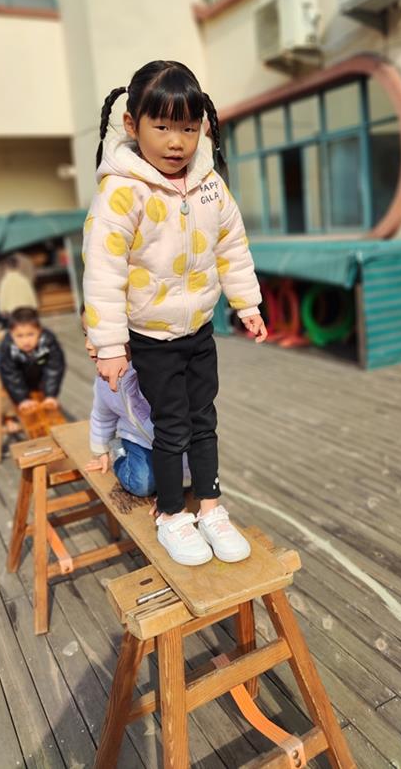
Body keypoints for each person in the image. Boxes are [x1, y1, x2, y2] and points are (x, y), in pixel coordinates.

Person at [83, 60, 267, 566]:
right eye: (162, 127)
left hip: (199, 330)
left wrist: (247, 302)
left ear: (201, 127)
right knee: (171, 426)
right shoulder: (121, 191)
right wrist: (110, 344)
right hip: (151, 336)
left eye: (188, 129)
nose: (176, 142)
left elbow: (232, 246)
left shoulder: (210, 184)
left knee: (204, 419)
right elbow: (103, 271)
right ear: (132, 124)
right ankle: (170, 514)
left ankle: (209, 506)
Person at [82, 309, 191, 497]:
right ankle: (119, 452)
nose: (87, 345)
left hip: (172, 439)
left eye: (96, 336)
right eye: (85, 335)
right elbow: (102, 417)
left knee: (187, 478)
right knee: (142, 484)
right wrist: (101, 451)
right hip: (137, 440)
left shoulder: (153, 369)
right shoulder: (103, 382)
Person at [0, 307, 65, 411]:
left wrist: (50, 395)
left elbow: (53, 369)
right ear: (11, 334)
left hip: (37, 371)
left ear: (39, 331)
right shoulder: (8, 347)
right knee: (5, 387)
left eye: (30, 334)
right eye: (19, 336)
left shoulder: (48, 342)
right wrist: (22, 399)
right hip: (15, 375)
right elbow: (10, 375)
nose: (26, 341)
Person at [0, 255, 37, 322]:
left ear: (7, 267)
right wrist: (34, 306)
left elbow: (2, 296)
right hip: (25, 308)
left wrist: (2, 309)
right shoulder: (23, 279)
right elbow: (30, 293)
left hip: (12, 310)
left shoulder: (5, 282)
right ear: (17, 266)